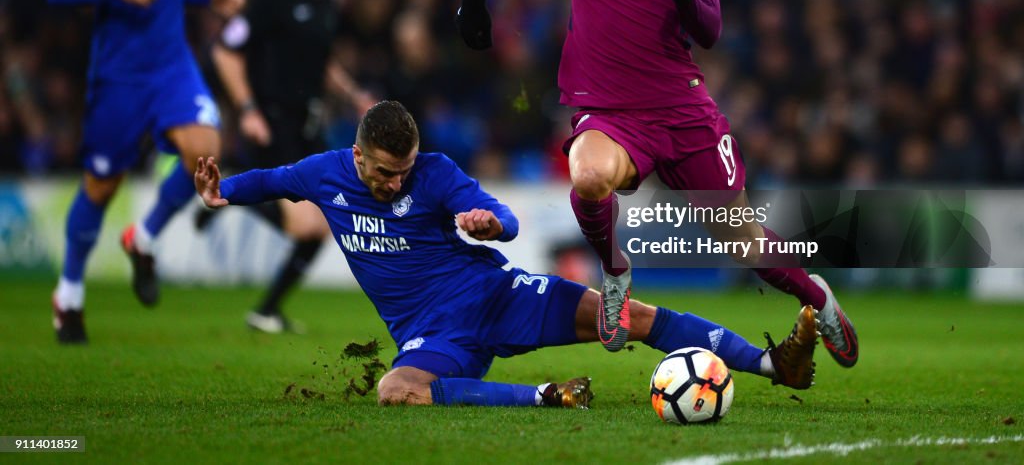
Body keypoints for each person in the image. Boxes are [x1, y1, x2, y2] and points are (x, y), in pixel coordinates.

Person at [456, 0, 858, 366]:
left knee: (744, 247)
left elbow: (711, 29)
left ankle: (818, 296)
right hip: (610, 112)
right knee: (588, 174)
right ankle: (616, 272)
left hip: (682, 112)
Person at [194, 100, 818, 408]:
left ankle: (772, 365)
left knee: (629, 317)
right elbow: (271, 179)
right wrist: (224, 192)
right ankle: (546, 397)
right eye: (385, 173)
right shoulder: (323, 174)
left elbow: (511, 221)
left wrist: (491, 226)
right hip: (430, 333)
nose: (395, 182)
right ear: (357, 157)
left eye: (403, 170)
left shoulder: (433, 174)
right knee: (396, 389)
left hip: (496, 295)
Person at [47, 0, 245, 344]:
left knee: (205, 150)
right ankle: (69, 292)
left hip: (172, 65)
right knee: (101, 186)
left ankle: (145, 236)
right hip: (119, 77)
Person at [198, 0, 374, 333]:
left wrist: (353, 96)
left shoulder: (326, 4)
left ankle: (267, 311)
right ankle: (233, 191)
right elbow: (225, 52)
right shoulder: (272, 2)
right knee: (307, 222)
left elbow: (323, 61)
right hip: (273, 123)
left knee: (323, 223)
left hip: (309, 125)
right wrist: (247, 109)